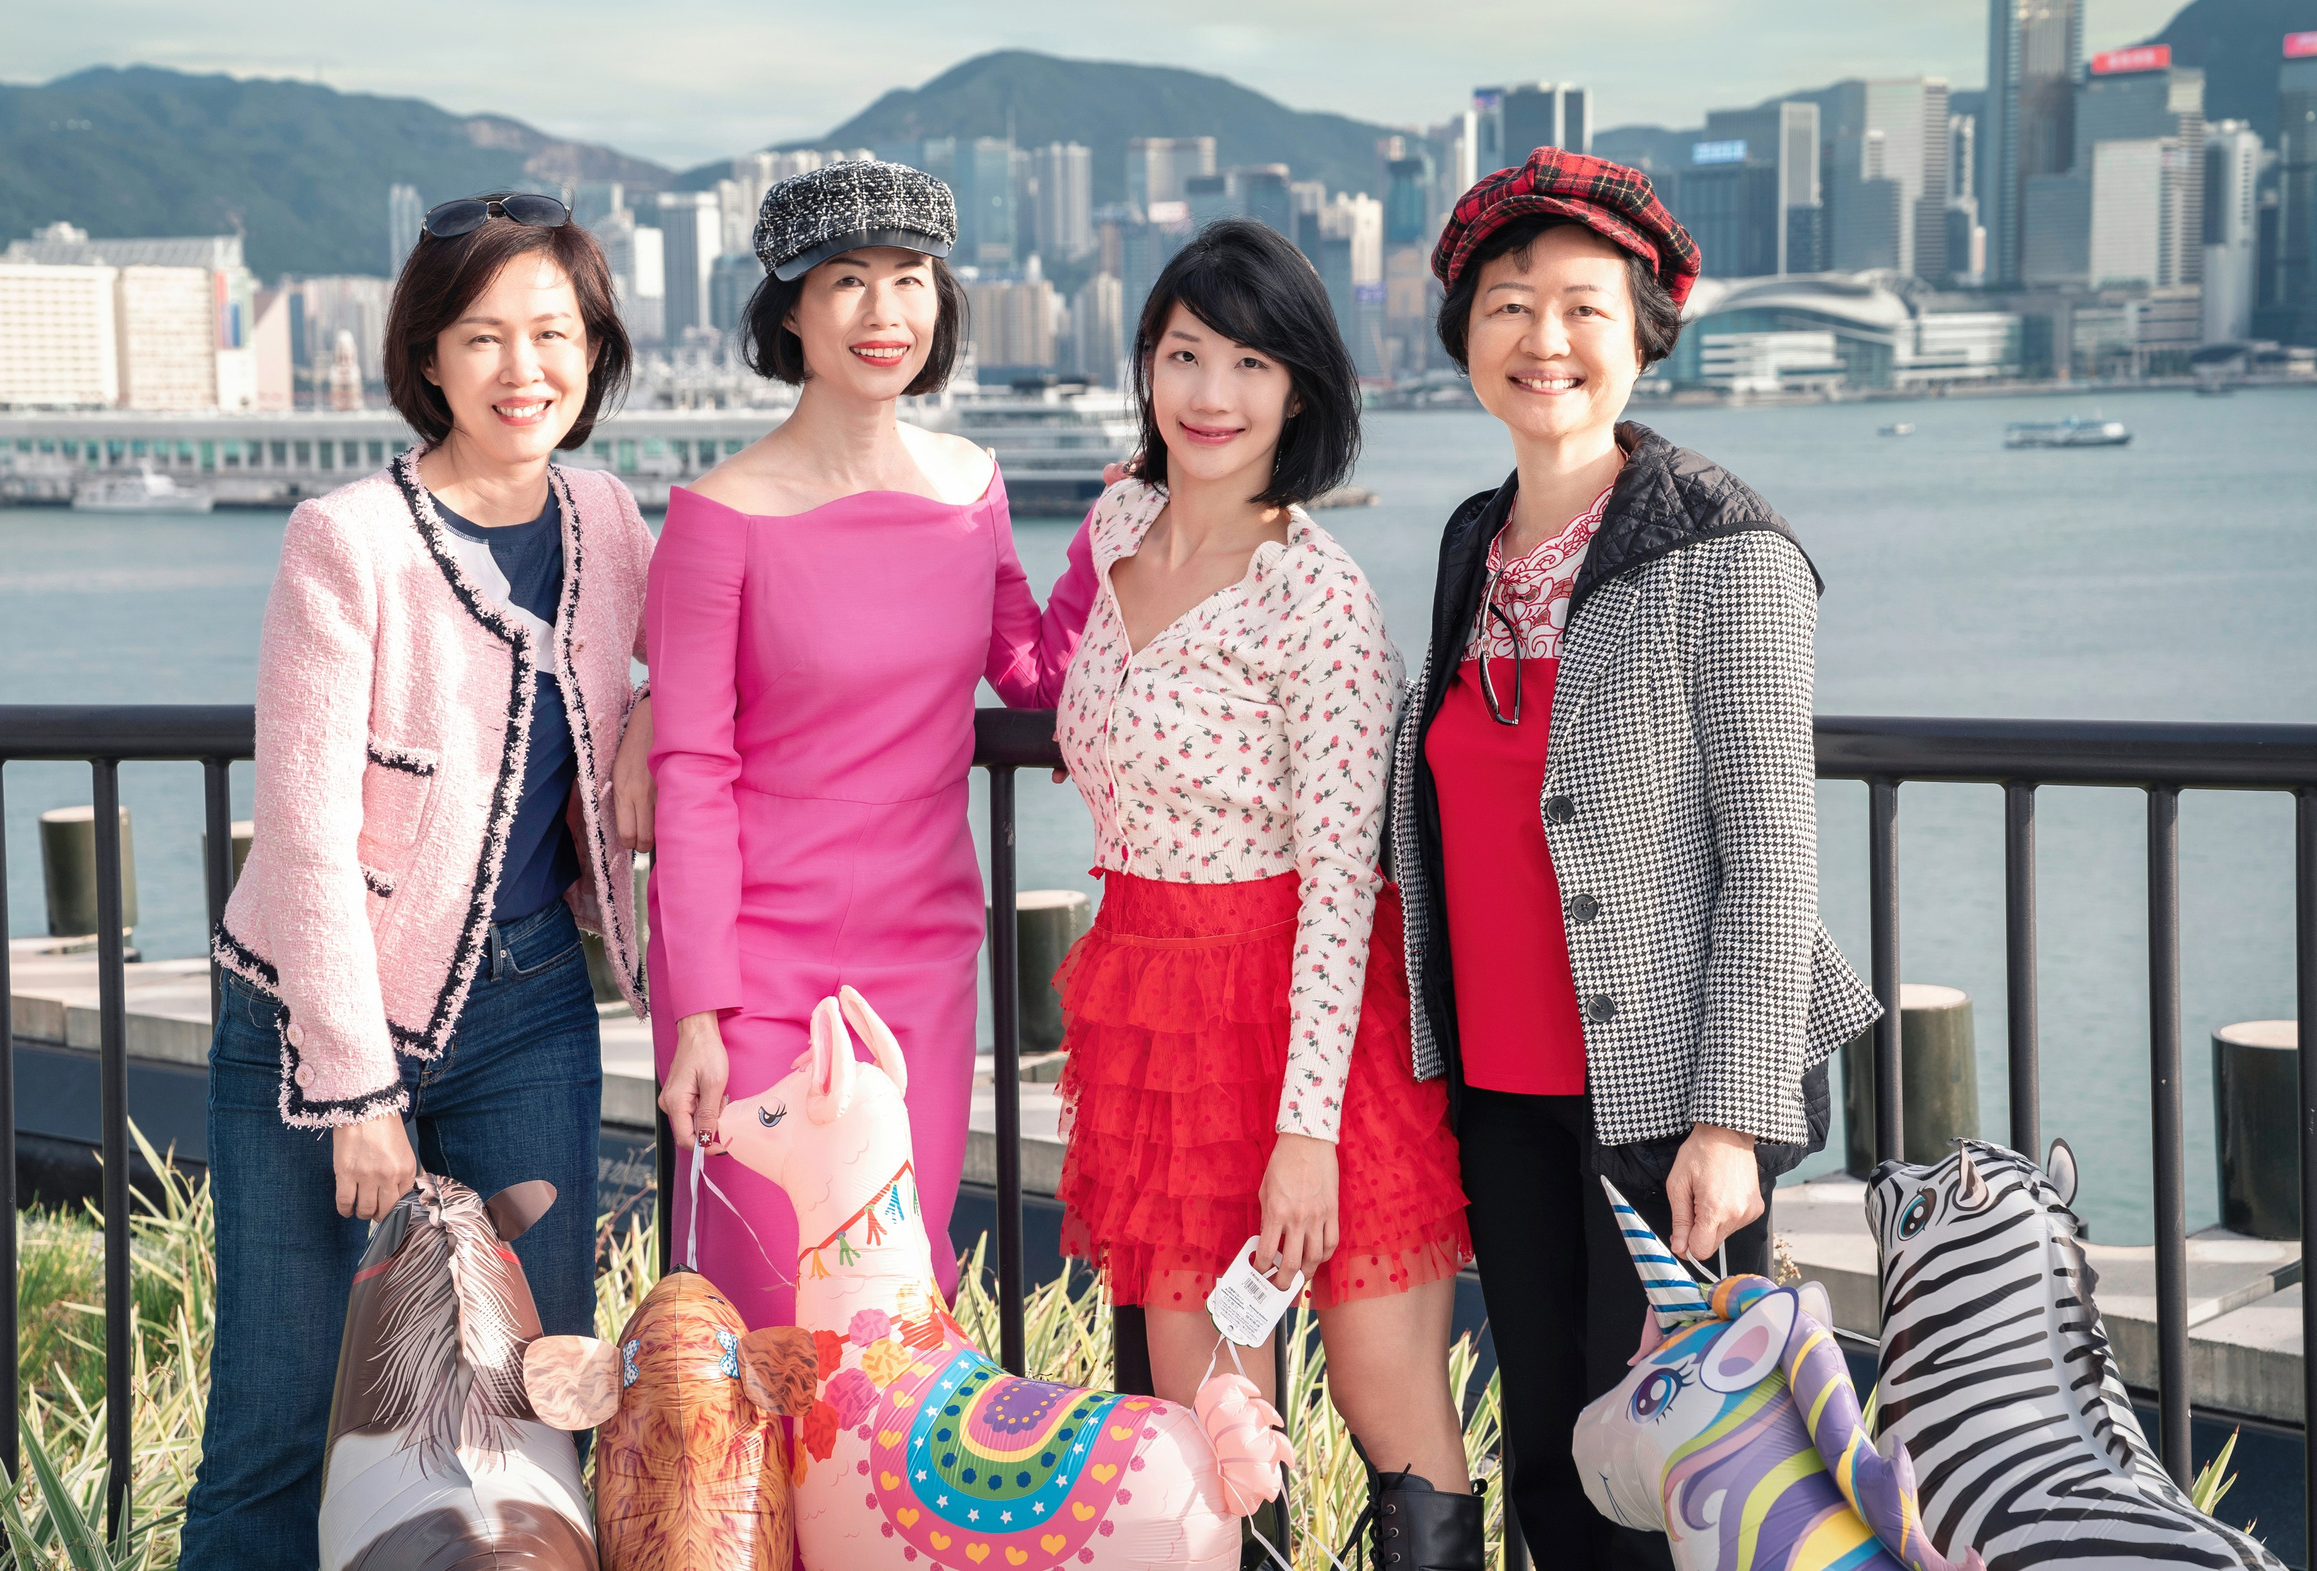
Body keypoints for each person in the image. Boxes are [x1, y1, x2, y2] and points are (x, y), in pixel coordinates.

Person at [1385, 148, 1881, 1571]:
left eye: (1582, 308)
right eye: (1507, 305)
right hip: (1500, 1089)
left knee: (1690, 1480)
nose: (1542, 339)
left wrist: (1730, 1121)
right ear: (1464, 336)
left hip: (1661, 1100)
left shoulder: (1727, 549)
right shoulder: (1473, 540)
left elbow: (1770, 856)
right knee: (1554, 1460)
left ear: (1645, 333)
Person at [184, 192, 656, 1564]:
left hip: (533, 1007)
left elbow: (701, 648)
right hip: (317, 1022)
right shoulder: (347, 539)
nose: (525, 368)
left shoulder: (608, 517)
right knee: (280, 1426)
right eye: (484, 336)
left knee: (534, 1401)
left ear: (594, 349)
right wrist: (360, 1092)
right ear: (429, 358)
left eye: (554, 333)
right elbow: (305, 833)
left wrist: (655, 712)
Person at [1049, 219, 1476, 1568]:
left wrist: (1306, 1136)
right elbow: (1044, 670)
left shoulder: (1317, 599)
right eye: (1186, 354)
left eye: (1251, 362)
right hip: (1155, 1022)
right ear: (1146, 363)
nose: (1212, 393)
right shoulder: (1116, 524)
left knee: (1386, 1402)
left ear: (1300, 390)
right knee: (1207, 1439)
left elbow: (1345, 881)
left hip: (1308, 1023)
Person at [634, 160, 1096, 1331]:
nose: (883, 312)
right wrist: (697, 1014)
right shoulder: (717, 516)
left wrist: (1123, 531)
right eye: (846, 281)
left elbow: (1032, 675)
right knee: (769, 1307)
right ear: (789, 311)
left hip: (921, 947)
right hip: (753, 966)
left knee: (892, 1302)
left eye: (909, 279)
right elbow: (691, 771)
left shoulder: (971, 485)